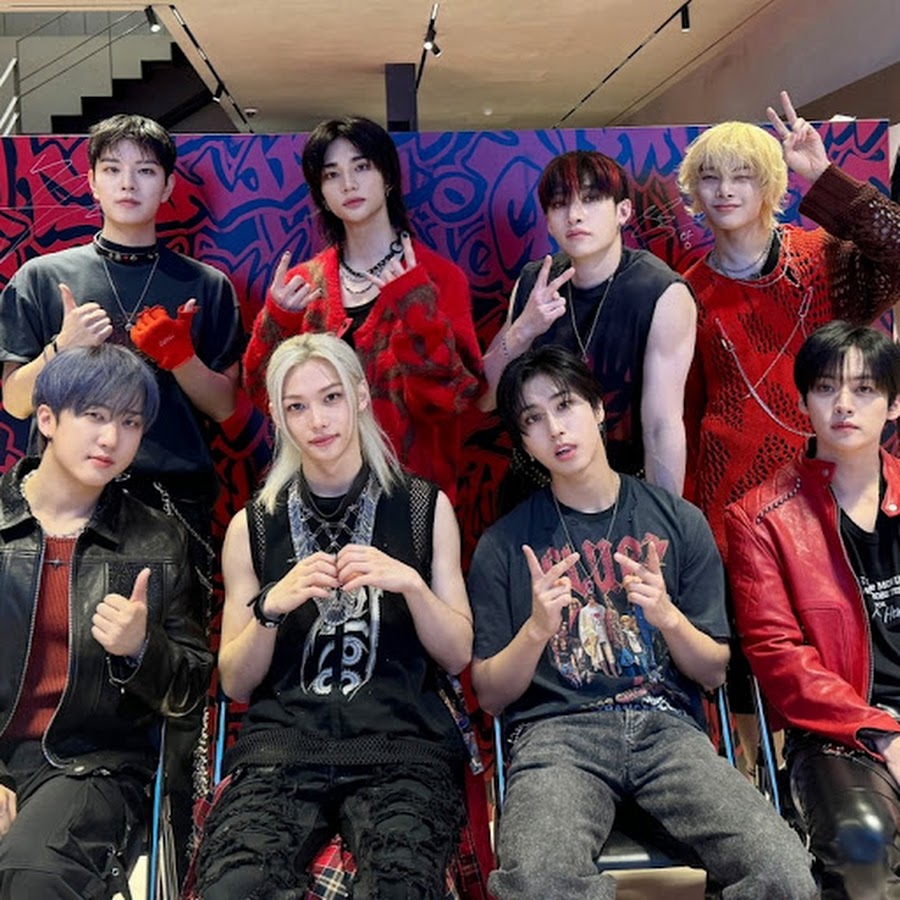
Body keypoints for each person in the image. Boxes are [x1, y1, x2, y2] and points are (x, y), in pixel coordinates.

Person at [467, 344, 817, 900]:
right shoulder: (504, 546)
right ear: (524, 441)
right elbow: (490, 695)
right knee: (537, 880)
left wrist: (668, 618)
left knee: (783, 872)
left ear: (598, 408)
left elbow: (713, 671)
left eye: (565, 405)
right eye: (533, 419)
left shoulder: (679, 522)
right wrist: (536, 630)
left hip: (667, 733)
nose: (555, 429)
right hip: (558, 739)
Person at [0, 112, 245, 870]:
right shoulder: (44, 277)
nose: (128, 183)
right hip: (58, 509)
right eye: (113, 169)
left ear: (169, 187)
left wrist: (179, 358)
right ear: (91, 180)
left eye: (146, 170)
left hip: (167, 517)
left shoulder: (205, 285)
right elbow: (15, 400)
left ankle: (166, 841)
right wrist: (62, 349)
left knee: (164, 681)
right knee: (40, 661)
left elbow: (227, 407)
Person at [193, 332, 473, 898]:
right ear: (279, 417)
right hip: (282, 753)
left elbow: (457, 654)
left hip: (403, 748)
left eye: (331, 398)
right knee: (234, 887)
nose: (318, 421)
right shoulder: (254, 524)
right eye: (297, 407)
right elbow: (236, 682)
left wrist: (412, 585)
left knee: (400, 888)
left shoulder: (423, 507)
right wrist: (270, 607)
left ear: (360, 396)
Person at [0, 344, 211, 899]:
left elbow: (191, 693)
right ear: (48, 419)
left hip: (94, 767)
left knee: (32, 874)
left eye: (130, 422)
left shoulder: (157, 539)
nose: (111, 438)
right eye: (94, 415)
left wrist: (142, 648)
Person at [677, 90, 900, 558]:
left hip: (832, 483)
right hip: (730, 499)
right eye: (711, 177)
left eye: (743, 176)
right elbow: (686, 415)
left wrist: (824, 176)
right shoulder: (687, 291)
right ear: (695, 190)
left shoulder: (820, 259)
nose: (725, 190)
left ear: (769, 185)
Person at [728, 322, 900, 899]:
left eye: (865, 389)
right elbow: (779, 659)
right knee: (862, 845)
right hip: (838, 732)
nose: (844, 404)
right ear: (803, 401)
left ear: (894, 404)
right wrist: (883, 735)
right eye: (826, 388)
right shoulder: (761, 518)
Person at [242, 116, 483, 503]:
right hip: (322, 492)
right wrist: (279, 320)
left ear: (387, 177)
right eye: (331, 174)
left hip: (412, 493)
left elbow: (451, 400)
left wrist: (414, 306)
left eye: (361, 167)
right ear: (321, 193)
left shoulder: (439, 278)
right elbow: (262, 395)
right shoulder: (303, 283)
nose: (348, 184)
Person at [480, 149, 696, 495]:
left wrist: (664, 515)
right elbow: (486, 399)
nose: (574, 215)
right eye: (560, 204)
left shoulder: (660, 292)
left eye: (592, 199)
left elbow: (661, 426)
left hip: (623, 488)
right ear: (548, 221)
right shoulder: (536, 281)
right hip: (537, 486)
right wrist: (524, 329)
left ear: (623, 211)